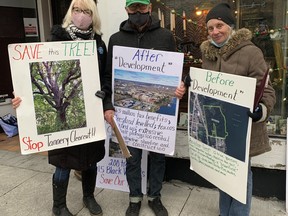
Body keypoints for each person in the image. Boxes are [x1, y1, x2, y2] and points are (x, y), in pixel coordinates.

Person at [12, 0, 115, 216]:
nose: (81, 15)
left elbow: (105, 77)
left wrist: (103, 93)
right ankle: (58, 206)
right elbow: (39, 69)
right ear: (71, 12)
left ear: (93, 15)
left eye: (86, 11)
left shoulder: (99, 43)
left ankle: (89, 196)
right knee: (63, 163)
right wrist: (23, 96)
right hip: (65, 112)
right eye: (77, 10)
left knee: (91, 161)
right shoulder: (58, 38)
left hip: (91, 113)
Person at [105, 1, 186, 216]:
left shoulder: (165, 37)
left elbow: (176, 72)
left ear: (149, 8)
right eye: (133, 9)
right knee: (131, 157)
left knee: (158, 157)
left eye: (142, 8)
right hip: (128, 114)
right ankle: (134, 198)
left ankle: (154, 197)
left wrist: (180, 88)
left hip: (157, 119)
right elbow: (108, 75)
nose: (138, 13)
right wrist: (108, 105)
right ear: (126, 10)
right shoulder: (116, 39)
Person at [198, 3, 276, 216]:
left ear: (231, 26)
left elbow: (267, 90)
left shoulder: (251, 52)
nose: (215, 31)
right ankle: (225, 212)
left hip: (243, 128)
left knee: (241, 175)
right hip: (219, 126)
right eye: (210, 28)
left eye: (219, 25)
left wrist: (262, 110)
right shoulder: (208, 54)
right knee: (222, 172)